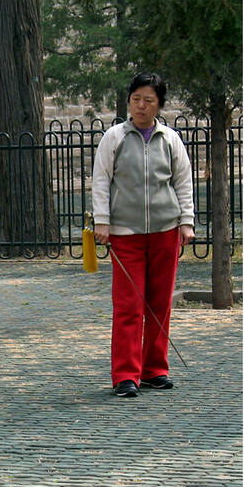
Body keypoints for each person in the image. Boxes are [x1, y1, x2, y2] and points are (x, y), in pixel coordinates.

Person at [91, 73, 195, 398]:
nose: (141, 105)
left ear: (159, 105)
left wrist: (186, 222)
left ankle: (154, 370)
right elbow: (100, 181)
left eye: (148, 100)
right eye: (136, 99)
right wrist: (102, 221)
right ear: (129, 101)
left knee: (160, 303)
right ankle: (126, 375)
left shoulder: (170, 139)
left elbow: (183, 182)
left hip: (166, 231)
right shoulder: (114, 137)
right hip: (125, 234)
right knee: (129, 305)